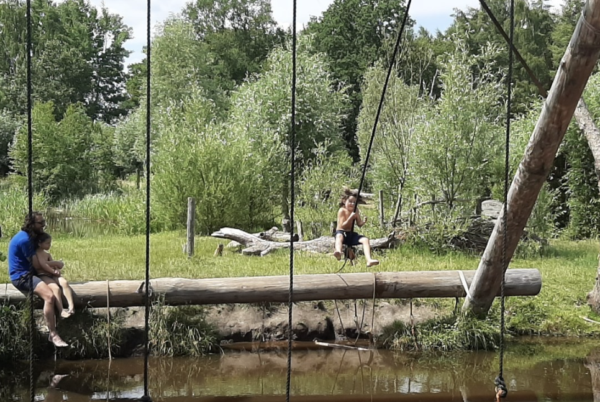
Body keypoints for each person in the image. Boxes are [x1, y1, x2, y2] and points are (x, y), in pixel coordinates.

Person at [8, 212, 69, 347]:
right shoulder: (25, 240)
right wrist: (55, 265)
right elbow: (37, 265)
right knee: (49, 296)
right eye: (40, 223)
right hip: (22, 276)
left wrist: (52, 271)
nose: (43, 225)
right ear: (31, 224)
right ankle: (53, 334)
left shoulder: (30, 237)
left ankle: (62, 312)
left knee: (57, 286)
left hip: (32, 273)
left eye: (44, 222)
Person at [333, 188, 379, 267]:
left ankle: (369, 260)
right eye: (350, 201)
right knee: (339, 236)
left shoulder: (355, 210)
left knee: (365, 240)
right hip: (342, 232)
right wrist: (351, 217)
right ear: (344, 201)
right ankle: (338, 252)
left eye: (354, 202)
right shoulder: (342, 210)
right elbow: (342, 226)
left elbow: (359, 224)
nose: (352, 204)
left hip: (350, 234)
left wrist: (363, 222)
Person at [33, 232, 75, 317]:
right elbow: (43, 265)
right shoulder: (37, 253)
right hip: (43, 275)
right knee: (56, 288)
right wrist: (53, 270)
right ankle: (61, 310)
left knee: (64, 283)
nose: (50, 245)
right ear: (39, 244)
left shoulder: (47, 254)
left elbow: (52, 265)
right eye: (47, 243)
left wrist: (56, 269)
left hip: (52, 274)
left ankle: (71, 306)